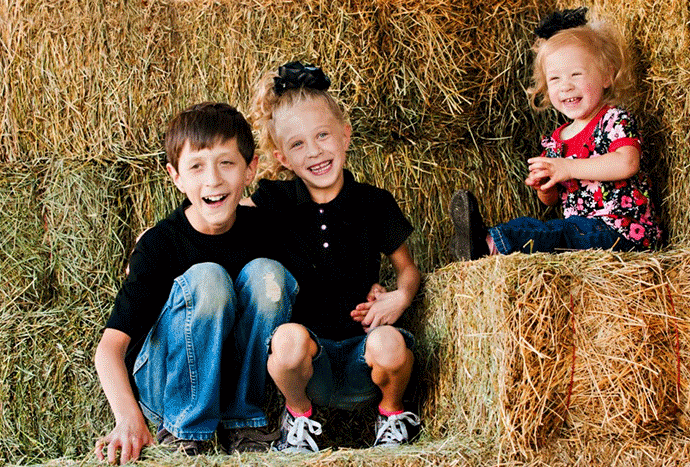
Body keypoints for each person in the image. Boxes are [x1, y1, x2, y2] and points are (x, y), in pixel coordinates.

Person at [94, 102, 297, 464]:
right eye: (197, 166)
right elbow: (109, 349)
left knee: (269, 275)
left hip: (229, 382)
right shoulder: (160, 244)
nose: (213, 180)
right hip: (165, 386)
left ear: (250, 170)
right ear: (176, 176)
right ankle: (183, 430)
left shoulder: (265, 229)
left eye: (227, 163)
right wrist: (127, 418)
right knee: (208, 279)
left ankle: (243, 420)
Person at [243, 61, 422, 452]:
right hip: (310, 364)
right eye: (298, 144)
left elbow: (407, 269)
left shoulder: (374, 202)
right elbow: (218, 216)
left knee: (391, 344)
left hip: (364, 351)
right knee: (286, 342)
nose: (315, 152)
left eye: (323, 135)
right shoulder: (274, 200)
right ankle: (299, 417)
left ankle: (392, 416)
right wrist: (161, 237)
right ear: (283, 158)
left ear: (345, 135)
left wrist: (400, 296)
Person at [450, 7, 662, 261]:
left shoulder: (613, 119)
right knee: (544, 228)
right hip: (582, 233)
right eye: (555, 79)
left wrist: (567, 168)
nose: (566, 85)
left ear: (606, 75)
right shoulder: (557, 140)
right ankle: (486, 241)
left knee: (558, 233)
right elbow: (552, 201)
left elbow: (627, 163)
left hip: (623, 232)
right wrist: (545, 187)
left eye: (576, 74)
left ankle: (488, 244)